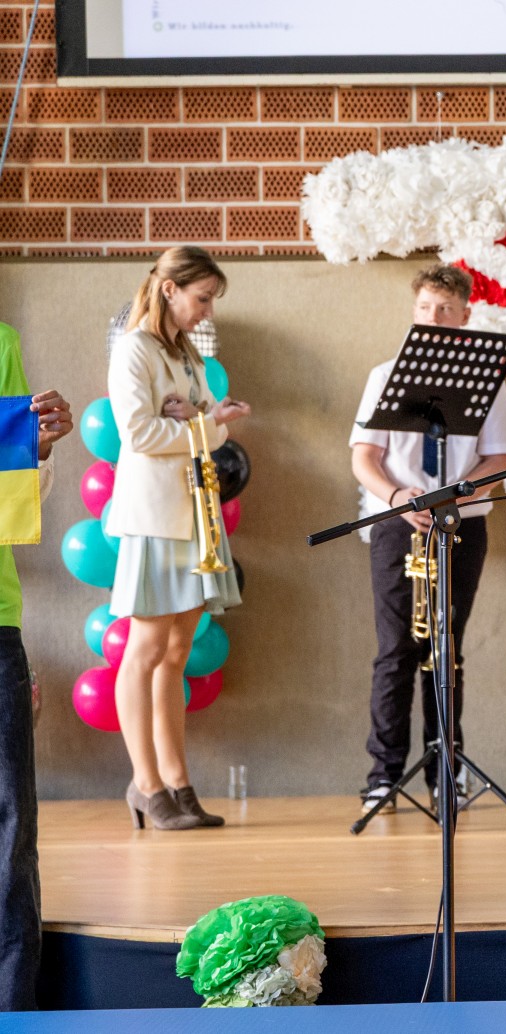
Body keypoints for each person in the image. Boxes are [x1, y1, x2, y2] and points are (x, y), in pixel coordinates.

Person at [350, 264, 506, 815]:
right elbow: (364, 457)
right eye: (425, 308)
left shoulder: (486, 380)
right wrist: (400, 497)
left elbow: (500, 456)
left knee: (445, 648)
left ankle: (446, 771)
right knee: (397, 649)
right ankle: (383, 776)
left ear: (465, 315)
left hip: (460, 523)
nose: (433, 318)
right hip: (396, 524)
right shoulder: (385, 375)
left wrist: (455, 496)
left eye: (445, 310)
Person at [106, 247, 249, 831]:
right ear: (170, 289)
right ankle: (145, 785)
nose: (207, 311)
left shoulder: (187, 353)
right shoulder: (134, 350)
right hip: (155, 518)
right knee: (144, 653)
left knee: (176, 655)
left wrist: (197, 419)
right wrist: (201, 422)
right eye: (202, 298)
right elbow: (139, 434)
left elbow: (210, 425)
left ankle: (178, 782)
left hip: (195, 517)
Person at [0, 322, 72, 1010]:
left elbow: (14, 497)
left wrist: (36, 448)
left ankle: (11, 1011)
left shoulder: (0, 344)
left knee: (10, 828)